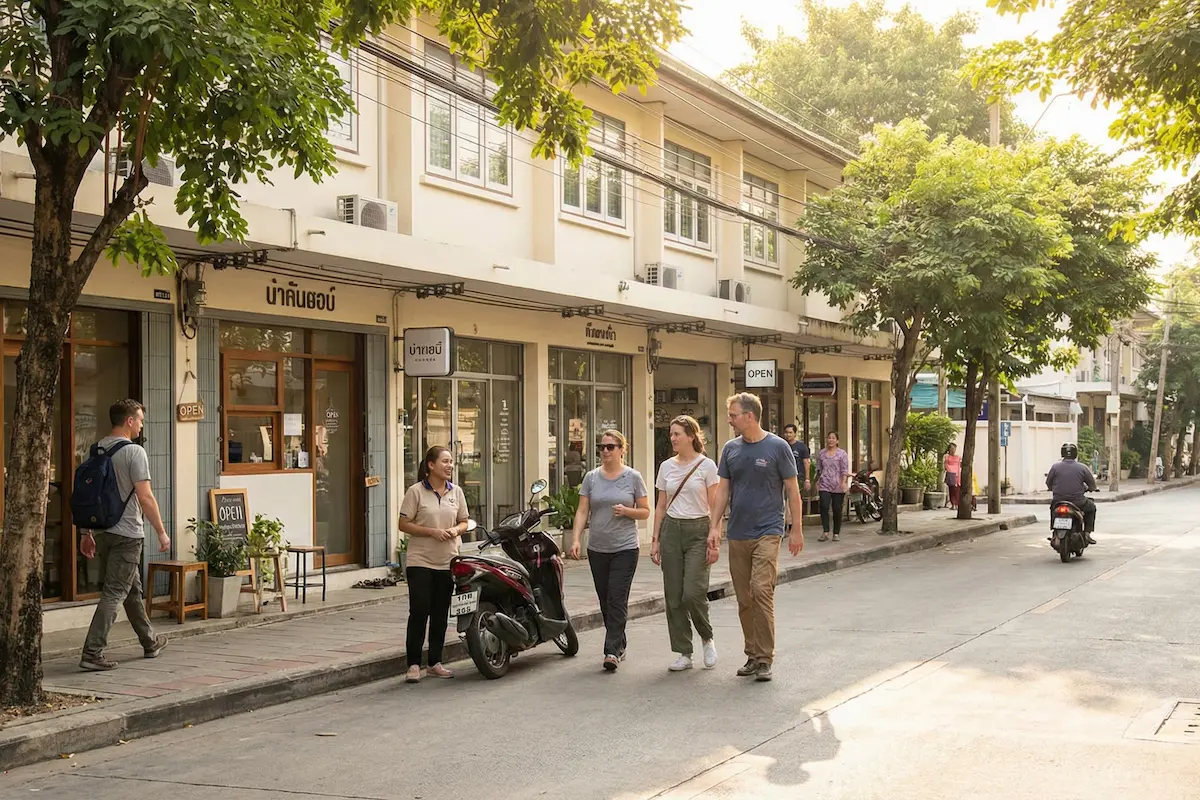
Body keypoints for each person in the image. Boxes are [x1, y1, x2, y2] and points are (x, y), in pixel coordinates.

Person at [708, 393, 804, 683]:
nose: (729, 419)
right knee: (745, 597)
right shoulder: (730, 449)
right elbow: (723, 490)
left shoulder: (778, 447)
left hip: (769, 529)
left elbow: (793, 490)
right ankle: (752, 654)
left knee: (761, 589)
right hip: (738, 532)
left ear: (749, 416)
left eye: (733, 415)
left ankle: (765, 658)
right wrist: (714, 526)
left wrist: (796, 528)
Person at [79, 399, 170, 671]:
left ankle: (150, 641)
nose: (141, 425)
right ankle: (92, 653)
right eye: (140, 419)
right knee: (115, 592)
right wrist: (162, 532)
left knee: (132, 590)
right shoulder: (134, 453)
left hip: (103, 531)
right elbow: (146, 497)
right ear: (129, 420)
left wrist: (87, 532)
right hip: (128, 533)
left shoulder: (96, 449)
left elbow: (88, 495)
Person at [567, 430, 650, 672]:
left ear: (622, 450)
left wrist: (627, 511)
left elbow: (645, 511)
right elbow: (582, 510)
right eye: (601, 447)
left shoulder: (633, 477)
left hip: (625, 547)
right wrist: (575, 540)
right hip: (597, 548)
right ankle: (620, 642)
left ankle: (611, 651)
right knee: (605, 600)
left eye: (610, 447)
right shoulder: (591, 478)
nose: (605, 451)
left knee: (616, 597)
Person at [650, 416, 720, 672]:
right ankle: (683, 651)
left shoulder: (707, 466)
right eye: (671, 434)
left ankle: (707, 637)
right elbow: (660, 506)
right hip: (671, 530)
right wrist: (655, 539)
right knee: (673, 595)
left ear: (691, 435)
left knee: (693, 592)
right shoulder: (666, 466)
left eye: (677, 433)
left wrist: (715, 538)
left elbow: (716, 506)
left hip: (699, 530)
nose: (673, 438)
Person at [398, 445, 470, 683]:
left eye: (451, 462)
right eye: (445, 461)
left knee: (440, 613)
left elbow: (464, 522)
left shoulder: (456, 492)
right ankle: (413, 665)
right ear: (431, 465)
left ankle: (435, 662)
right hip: (420, 560)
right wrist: (431, 532)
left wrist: (453, 530)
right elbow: (404, 524)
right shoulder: (416, 492)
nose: (450, 466)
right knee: (419, 610)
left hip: (447, 560)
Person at [1046, 442, 1097, 545]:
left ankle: (1054, 532)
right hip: (1078, 502)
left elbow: (1048, 483)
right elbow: (1092, 484)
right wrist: (1092, 489)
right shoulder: (1082, 467)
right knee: (1091, 508)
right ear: (1075, 454)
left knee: (1053, 509)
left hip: (1058, 501)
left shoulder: (1055, 467)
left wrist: (1053, 488)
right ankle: (1087, 533)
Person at [815, 432, 851, 542]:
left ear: (837, 441)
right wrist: (816, 481)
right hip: (824, 483)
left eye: (833, 438)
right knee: (824, 506)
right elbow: (818, 468)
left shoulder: (842, 454)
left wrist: (844, 482)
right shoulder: (821, 453)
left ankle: (836, 533)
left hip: (838, 484)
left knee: (837, 509)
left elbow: (844, 470)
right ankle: (825, 532)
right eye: (829, 438)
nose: (830, 440)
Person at [782, 423, 812, 530]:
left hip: (797, 477)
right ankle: (785, 523)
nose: (788, 435)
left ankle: (794, 524)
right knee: (783, 501)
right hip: (782, 478)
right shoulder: (781, 445)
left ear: (795, 433)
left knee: (794, 500)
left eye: (790, 432)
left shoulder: (801, 447)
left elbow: (806, 463)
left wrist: (807, 479)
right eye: (786, 432)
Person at [943, 443, 962, 509]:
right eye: (952, 448)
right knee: (952, 489)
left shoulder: (958, 457)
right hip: (950, 473)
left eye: (954, 448)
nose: (953, 450)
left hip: (957, 474)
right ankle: (953, 503)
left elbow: (960, 465)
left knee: (957, 490)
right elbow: (945, 465)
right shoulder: (946, 456)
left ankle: (957, 504)